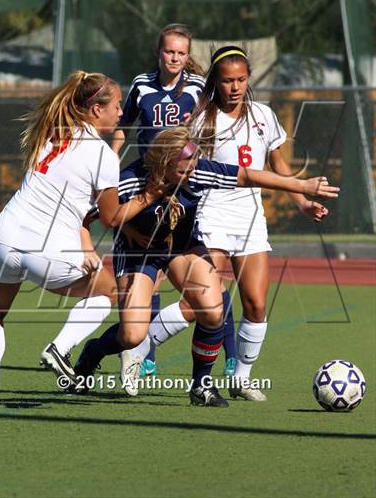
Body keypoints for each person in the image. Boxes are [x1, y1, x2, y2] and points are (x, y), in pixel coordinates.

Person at [69, 126, 339, 407]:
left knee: (212, 309)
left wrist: (302, 187)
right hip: (139, 255)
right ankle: (93, 351)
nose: (194, 169)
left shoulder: (198, 170)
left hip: (182, 247)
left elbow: (247, 175)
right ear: (164, 163)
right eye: (185, 166)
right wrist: (100, 246)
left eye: (195, 161)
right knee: (132, 335)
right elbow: (84, 218)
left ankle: (201, 385)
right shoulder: (129, 180)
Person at [125, 45, 332, 401]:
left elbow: (278, 166)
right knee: (202, 302)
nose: (234, 87)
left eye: (240, 80)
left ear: (248, 79)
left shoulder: (264, 115)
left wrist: (301, 202)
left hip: (251, 218)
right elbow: (179, 164)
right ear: (215, 82)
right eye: (226, 81)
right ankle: (138, 347)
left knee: (255, 303)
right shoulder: (201, 119)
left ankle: (241, 377)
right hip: (211, 214)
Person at [0, 71, 155, 409]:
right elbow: (110, 217)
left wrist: (84, 245)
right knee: (107, 292)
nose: (122, 112)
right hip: (46, 248)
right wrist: (151, 194)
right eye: (117, 106)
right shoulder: (103, 157)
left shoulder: (54, 132)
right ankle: (59, 348)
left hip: (5, 235)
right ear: (96, 110)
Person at [112, 23, 204, 377]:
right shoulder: (141, 85)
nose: (176, 58)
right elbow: (123, 126)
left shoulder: (197, 88)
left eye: (182, 53)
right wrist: (110, 161)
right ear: (158, 52)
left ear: (187, 55)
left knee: (180, 263)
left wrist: (191, 144)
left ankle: (145, 347)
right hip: (148, 180)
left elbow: (206, 131)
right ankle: (138, 348)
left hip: (181, 185)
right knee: (146, 257)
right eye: (170, 52)